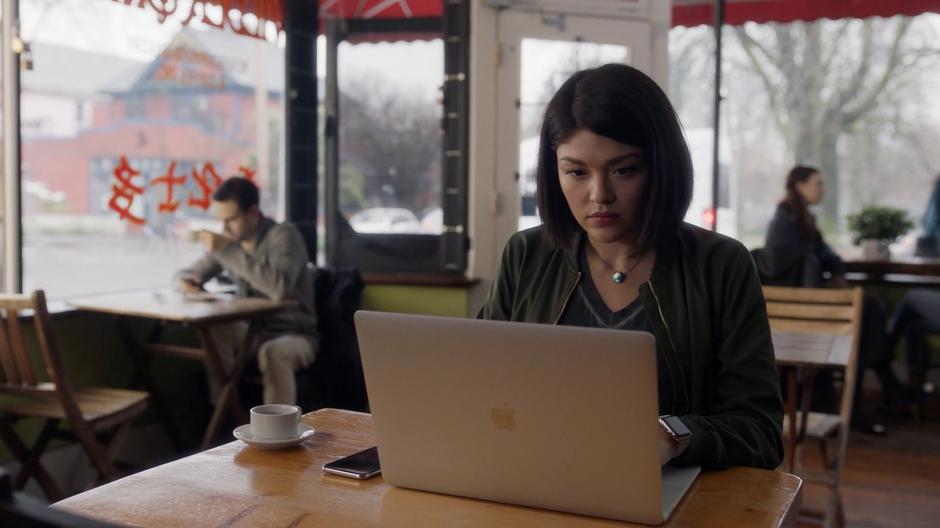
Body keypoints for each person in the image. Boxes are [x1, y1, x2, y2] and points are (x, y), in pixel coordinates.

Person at [478, 64, 783, 470]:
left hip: (672, 496)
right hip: (537, 479)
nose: (599, 194)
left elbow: (760, 433)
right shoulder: (526, 254)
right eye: (576, 172)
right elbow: (481, 386)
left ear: (661, 166)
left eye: (624, 170)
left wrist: (674, 437)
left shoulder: (721, 264)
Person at [760, 166, 922, 434]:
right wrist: (815, 260)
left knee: (868, 311)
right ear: (800, 185)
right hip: (797, 305)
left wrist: (833, 268)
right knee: (868, 312)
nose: (822, 189)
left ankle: (876, 386)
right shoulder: (783, 219)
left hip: (809, 299)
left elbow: (826, 254)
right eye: (818, 184)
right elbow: (776, 263)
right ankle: (881, 385)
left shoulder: (803, 219)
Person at [176, 177, 318, 406]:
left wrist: (227, 250)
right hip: (252, 331)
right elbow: (185, 274)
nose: (224, 228)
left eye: (230, 220)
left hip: (296, 335)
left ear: (253, 212)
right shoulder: (231, 242)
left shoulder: (283, 236)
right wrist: (187, 281)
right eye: (220, 220)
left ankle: (279, 433)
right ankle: (223, 412)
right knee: (215, 328)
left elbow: (279, 288)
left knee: (273, 352)